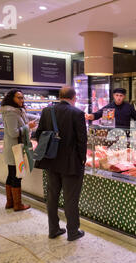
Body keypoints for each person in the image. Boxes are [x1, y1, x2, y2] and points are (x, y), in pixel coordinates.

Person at [35, 87, 87, 241]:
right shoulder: (77, 113)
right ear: (74, 97)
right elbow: (82, 140)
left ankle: (53, 229)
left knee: (52, 196)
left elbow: (39, 134)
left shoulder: (47, 111)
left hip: (51, 160)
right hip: (71, 163)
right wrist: (82, 159)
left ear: (60, 96)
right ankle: (72, 231)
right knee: (71, 198)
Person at [0, 89, 37, 211]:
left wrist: (42, 116)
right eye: (19, 98)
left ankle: (10, 203)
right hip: (15, 148)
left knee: (11, 174)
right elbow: (13, 133)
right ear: (12, 98)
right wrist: (28, 127)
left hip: (15, 148)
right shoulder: (11, 113)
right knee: (17, 175)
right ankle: (17, 204)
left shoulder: (18, 111)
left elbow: (28, 117)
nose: (22, 100)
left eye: (22, 98)